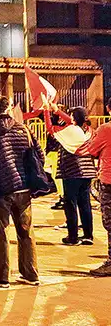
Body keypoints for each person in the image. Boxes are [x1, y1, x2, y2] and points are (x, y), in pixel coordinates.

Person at [0, 95, 41, 288]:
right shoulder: (23, 128)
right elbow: (38, 154)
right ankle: (31, 273)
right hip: (23, 187)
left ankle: (1, 276)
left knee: (1, 232)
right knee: (26, 232)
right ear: (10, 107)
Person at [50, 106, 97, 246]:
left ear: (74, 119)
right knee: (85, 204)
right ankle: (88, 235)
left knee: (70, 205)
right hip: (87, 172)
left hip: (72, 173)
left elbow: (50, 129)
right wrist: (57, 111)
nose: (68, 118)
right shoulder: (90, 132)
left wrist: (48, 111)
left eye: (71, 116)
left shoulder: (70, 131)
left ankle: (72, 237)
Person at [76, 98, 111, 276]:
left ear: (108, 108)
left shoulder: (105, 129)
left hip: (109, 181)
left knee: (110, 222)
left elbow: (92, 149)